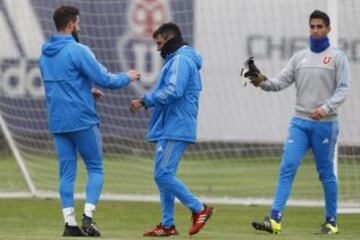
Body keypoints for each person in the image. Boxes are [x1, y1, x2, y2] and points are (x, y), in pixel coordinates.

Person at [244, 10, 350, 235]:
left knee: (326, 173)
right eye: (312, 26)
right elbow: (278, 83)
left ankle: (331, 223)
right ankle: (274, 221)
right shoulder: (299, 57)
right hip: (299, 123)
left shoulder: (338, 57)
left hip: (326, 124)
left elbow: (343, 90)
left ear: (328, 29)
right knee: (287, 168)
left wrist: (325, 108)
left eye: (319, 26)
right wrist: (259, 80)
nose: (315, 30)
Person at [38, 6, 140, 237]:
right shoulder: (78, 50)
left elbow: (59, 85)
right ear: (72, 23)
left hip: (57, 121)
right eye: (78, 23)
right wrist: (129, 76)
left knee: (66, 174)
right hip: (82, 120)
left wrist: (86, 90)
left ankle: (69, 224)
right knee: (95, 167)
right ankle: (88, 217)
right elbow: (107, 80)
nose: (80, 27)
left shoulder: (43, 54)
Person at [129, 22, 214, 237]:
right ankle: (167, 225)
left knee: (162, 175)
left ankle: (199, 208)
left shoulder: (181, 60)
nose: (157, 49)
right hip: (171, 125)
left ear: (169, 39)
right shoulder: (179, 59)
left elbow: (173, 91)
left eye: (159, 43)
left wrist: (145, 101)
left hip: (176, 126)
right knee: (164, 176)